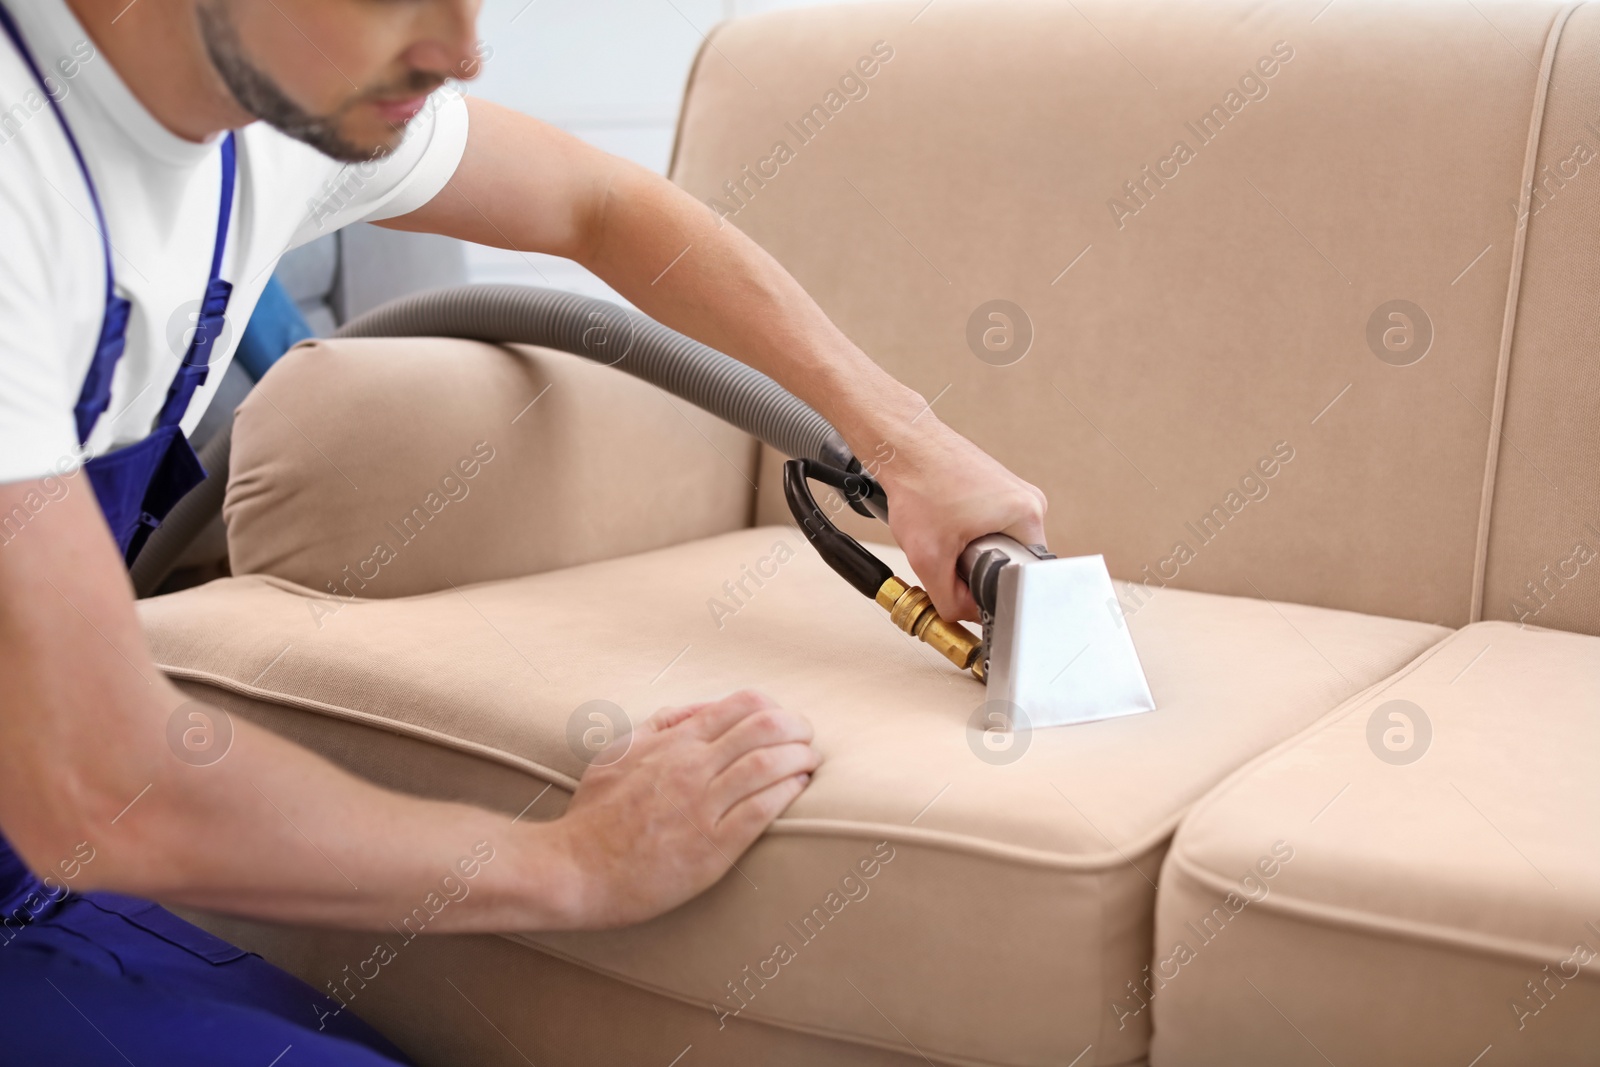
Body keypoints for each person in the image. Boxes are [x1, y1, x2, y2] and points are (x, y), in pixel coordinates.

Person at [0, 0, 1048, 1061]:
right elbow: (100, 782)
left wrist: (907, 443)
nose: (460, 51)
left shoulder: (259, 114)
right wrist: (575, 863)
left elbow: (600, 205)